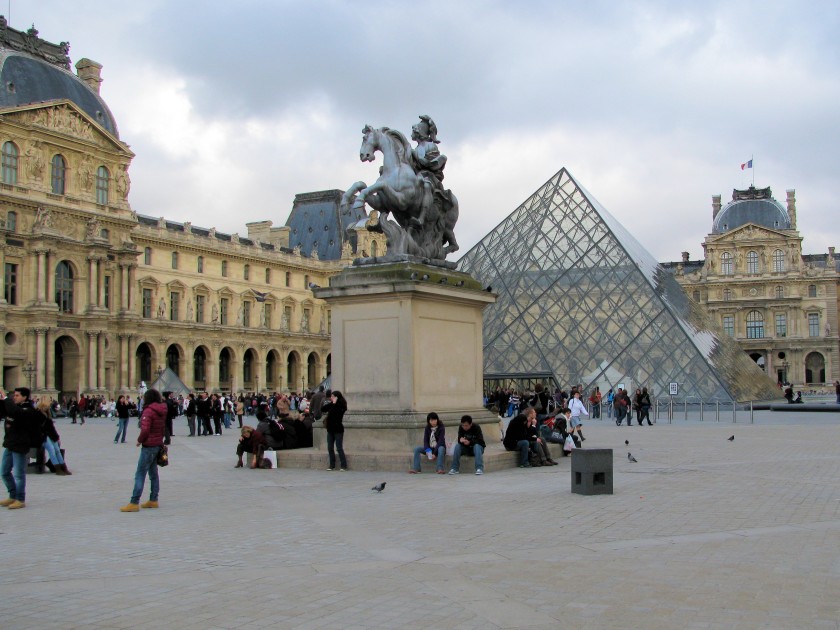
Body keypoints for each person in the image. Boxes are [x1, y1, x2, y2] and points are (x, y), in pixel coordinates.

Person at [120, 388, 167, 512]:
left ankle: (134, 502)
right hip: (158, 444)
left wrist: (139, 440)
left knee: (140, 474)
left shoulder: (148, 411)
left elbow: (145, 430)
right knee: (154, 474)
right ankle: (153, 500)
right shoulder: (162, 410)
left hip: (148, 446)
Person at [0, 387, 41, 508]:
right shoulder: (14, 407)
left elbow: (14, 413)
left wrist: (6, 398)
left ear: (24, 397)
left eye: (17, 395)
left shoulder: (28, 410)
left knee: (18, 474)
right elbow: (4, 411)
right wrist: (2, 400)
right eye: (14, 395)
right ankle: (12, 495)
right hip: (10, 444)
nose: (14, 397)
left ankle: (20, 499)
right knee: (4, 472)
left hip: (20, 445)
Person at [36, 400, 71, 475]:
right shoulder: (37, 415)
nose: (46, 408)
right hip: (42, 436)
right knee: (51, 449)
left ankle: (64, 467)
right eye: (45, 407)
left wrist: (57, 438)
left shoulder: (48, 415)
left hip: (50, 435)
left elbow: (52, 428)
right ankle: (57, 469)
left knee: (57, 450)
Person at [322, 391, 348, 471]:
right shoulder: (332, 404)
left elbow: (337, 414)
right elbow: (323, 409)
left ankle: (343, 465)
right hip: (330, 429)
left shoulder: (341, 406)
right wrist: (332, 403)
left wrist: (334, 404)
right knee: (330, 447)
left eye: (333, 396)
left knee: (339, 447)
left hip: (338, 429)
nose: (331, 397)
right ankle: (332, 465)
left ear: (337, 397)